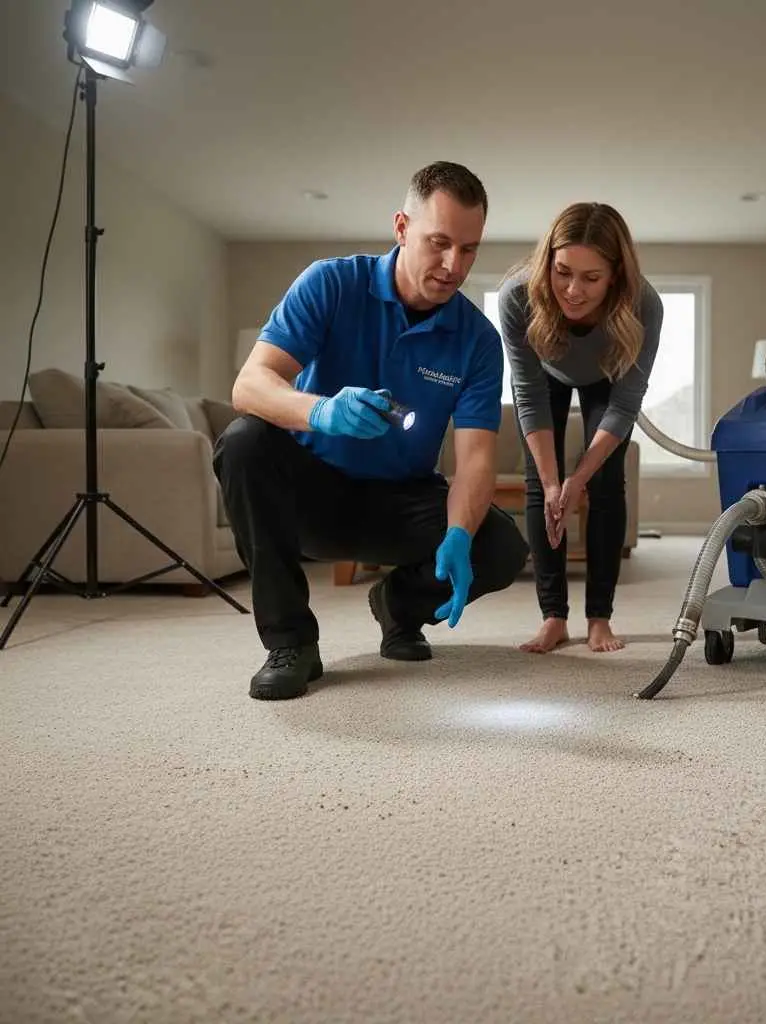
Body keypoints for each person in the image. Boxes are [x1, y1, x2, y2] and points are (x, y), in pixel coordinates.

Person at [214, 161, 529, 701]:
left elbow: (476, 457)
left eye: (470, 248)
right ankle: (291, 642)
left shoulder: (476, 338)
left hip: (400, 501)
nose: (455, 265)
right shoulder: (331, 283)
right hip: (309, 494)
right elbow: (250, 385)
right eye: (439, 242)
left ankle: (398, 608)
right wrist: (319, 412)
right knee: (243, 442)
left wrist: (458, 534)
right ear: (402, 228)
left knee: (499, 544)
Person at [496, 202, 662, 654]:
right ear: (548, 260)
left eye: (591, 278)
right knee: (539, 486)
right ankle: (553, 618)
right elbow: (528, 396)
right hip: (546, 377)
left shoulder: (643, 304)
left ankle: (599, 618)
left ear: (616, 276)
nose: (572, 291)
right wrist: (555, 483)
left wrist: (579, 479)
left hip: (608, 377)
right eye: (563, 271)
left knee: (607, 484)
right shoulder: (517, 297)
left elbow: (626, 403)